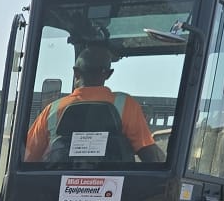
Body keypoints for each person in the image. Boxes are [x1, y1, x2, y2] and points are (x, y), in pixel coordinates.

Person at [24, 46, 161, 167]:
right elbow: (150, 156)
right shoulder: (126, 105)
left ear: (76, 73)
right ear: (108, 74)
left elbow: (27, 158)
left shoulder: (52, 110)